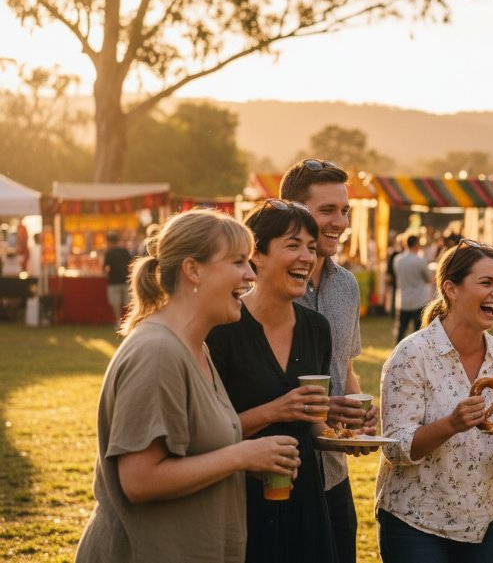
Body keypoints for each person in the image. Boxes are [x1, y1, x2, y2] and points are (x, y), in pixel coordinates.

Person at [75, 210, 300, 563]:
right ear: (193, 270)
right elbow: (139, 480)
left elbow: (196, 452)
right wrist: (241, 455)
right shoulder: (157, 352)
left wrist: (249, 462)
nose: (249, 273)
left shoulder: (197, 347)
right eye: (238, 261)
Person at [376, 239, 493, 562]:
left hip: (480, 524)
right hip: (415, 523)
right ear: (451, 289)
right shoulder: (412, 354)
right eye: (486, 283)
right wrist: (451, 424)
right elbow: (395, 448)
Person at [206, 200, 340, 562]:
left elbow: (311, 426)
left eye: (311, 248)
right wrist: (274, 410)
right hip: (240, 499)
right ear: (257, 256)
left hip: (305, 499)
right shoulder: (222, 329)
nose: (306, 257)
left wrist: (338, 434)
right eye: (293, 244)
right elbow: (206, 435)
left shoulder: (317, 329)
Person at [279, 158, 377, 563]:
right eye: (327, 211)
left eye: (344, 210)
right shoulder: (267, 284)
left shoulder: (346, 285)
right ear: (295, 214)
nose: (340, 221)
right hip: (282, 467)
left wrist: (359, 418)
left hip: (333, 471)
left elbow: (346, 367)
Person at [393, 233, 433, 343]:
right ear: (416, 244)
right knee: (418, 332)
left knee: (401, 329)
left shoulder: (398, 259)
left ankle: (397, 351)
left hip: (403, 299)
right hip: (418, 299)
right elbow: (428, 278)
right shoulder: (420, 260)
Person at [103, 232, 132, 325]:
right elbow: (131, 264)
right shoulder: (125, 251)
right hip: (126, 280)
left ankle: (118, 322)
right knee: (128, 303)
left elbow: (105, 268)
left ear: (109, 242)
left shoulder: (109, 253)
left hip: (113, 281)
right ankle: (129, 322)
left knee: (116, 304)